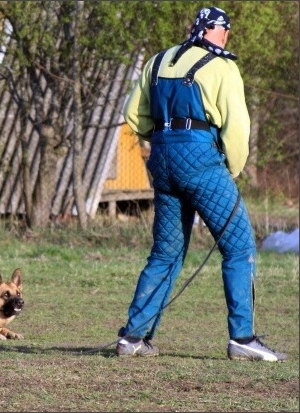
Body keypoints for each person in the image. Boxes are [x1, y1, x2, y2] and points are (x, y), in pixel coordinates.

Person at [118, 6, 287, 362]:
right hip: (201, 159)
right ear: (218, 31)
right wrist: (234, 166)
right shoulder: (222, 66)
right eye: (226, 31)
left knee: (165, 253)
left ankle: (133, 338)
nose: (227, 37)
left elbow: (133, 114)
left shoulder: (158, 61)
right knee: (239, 246)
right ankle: (242, 338)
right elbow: (237, 127)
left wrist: (164, 138)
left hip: (162, 158)